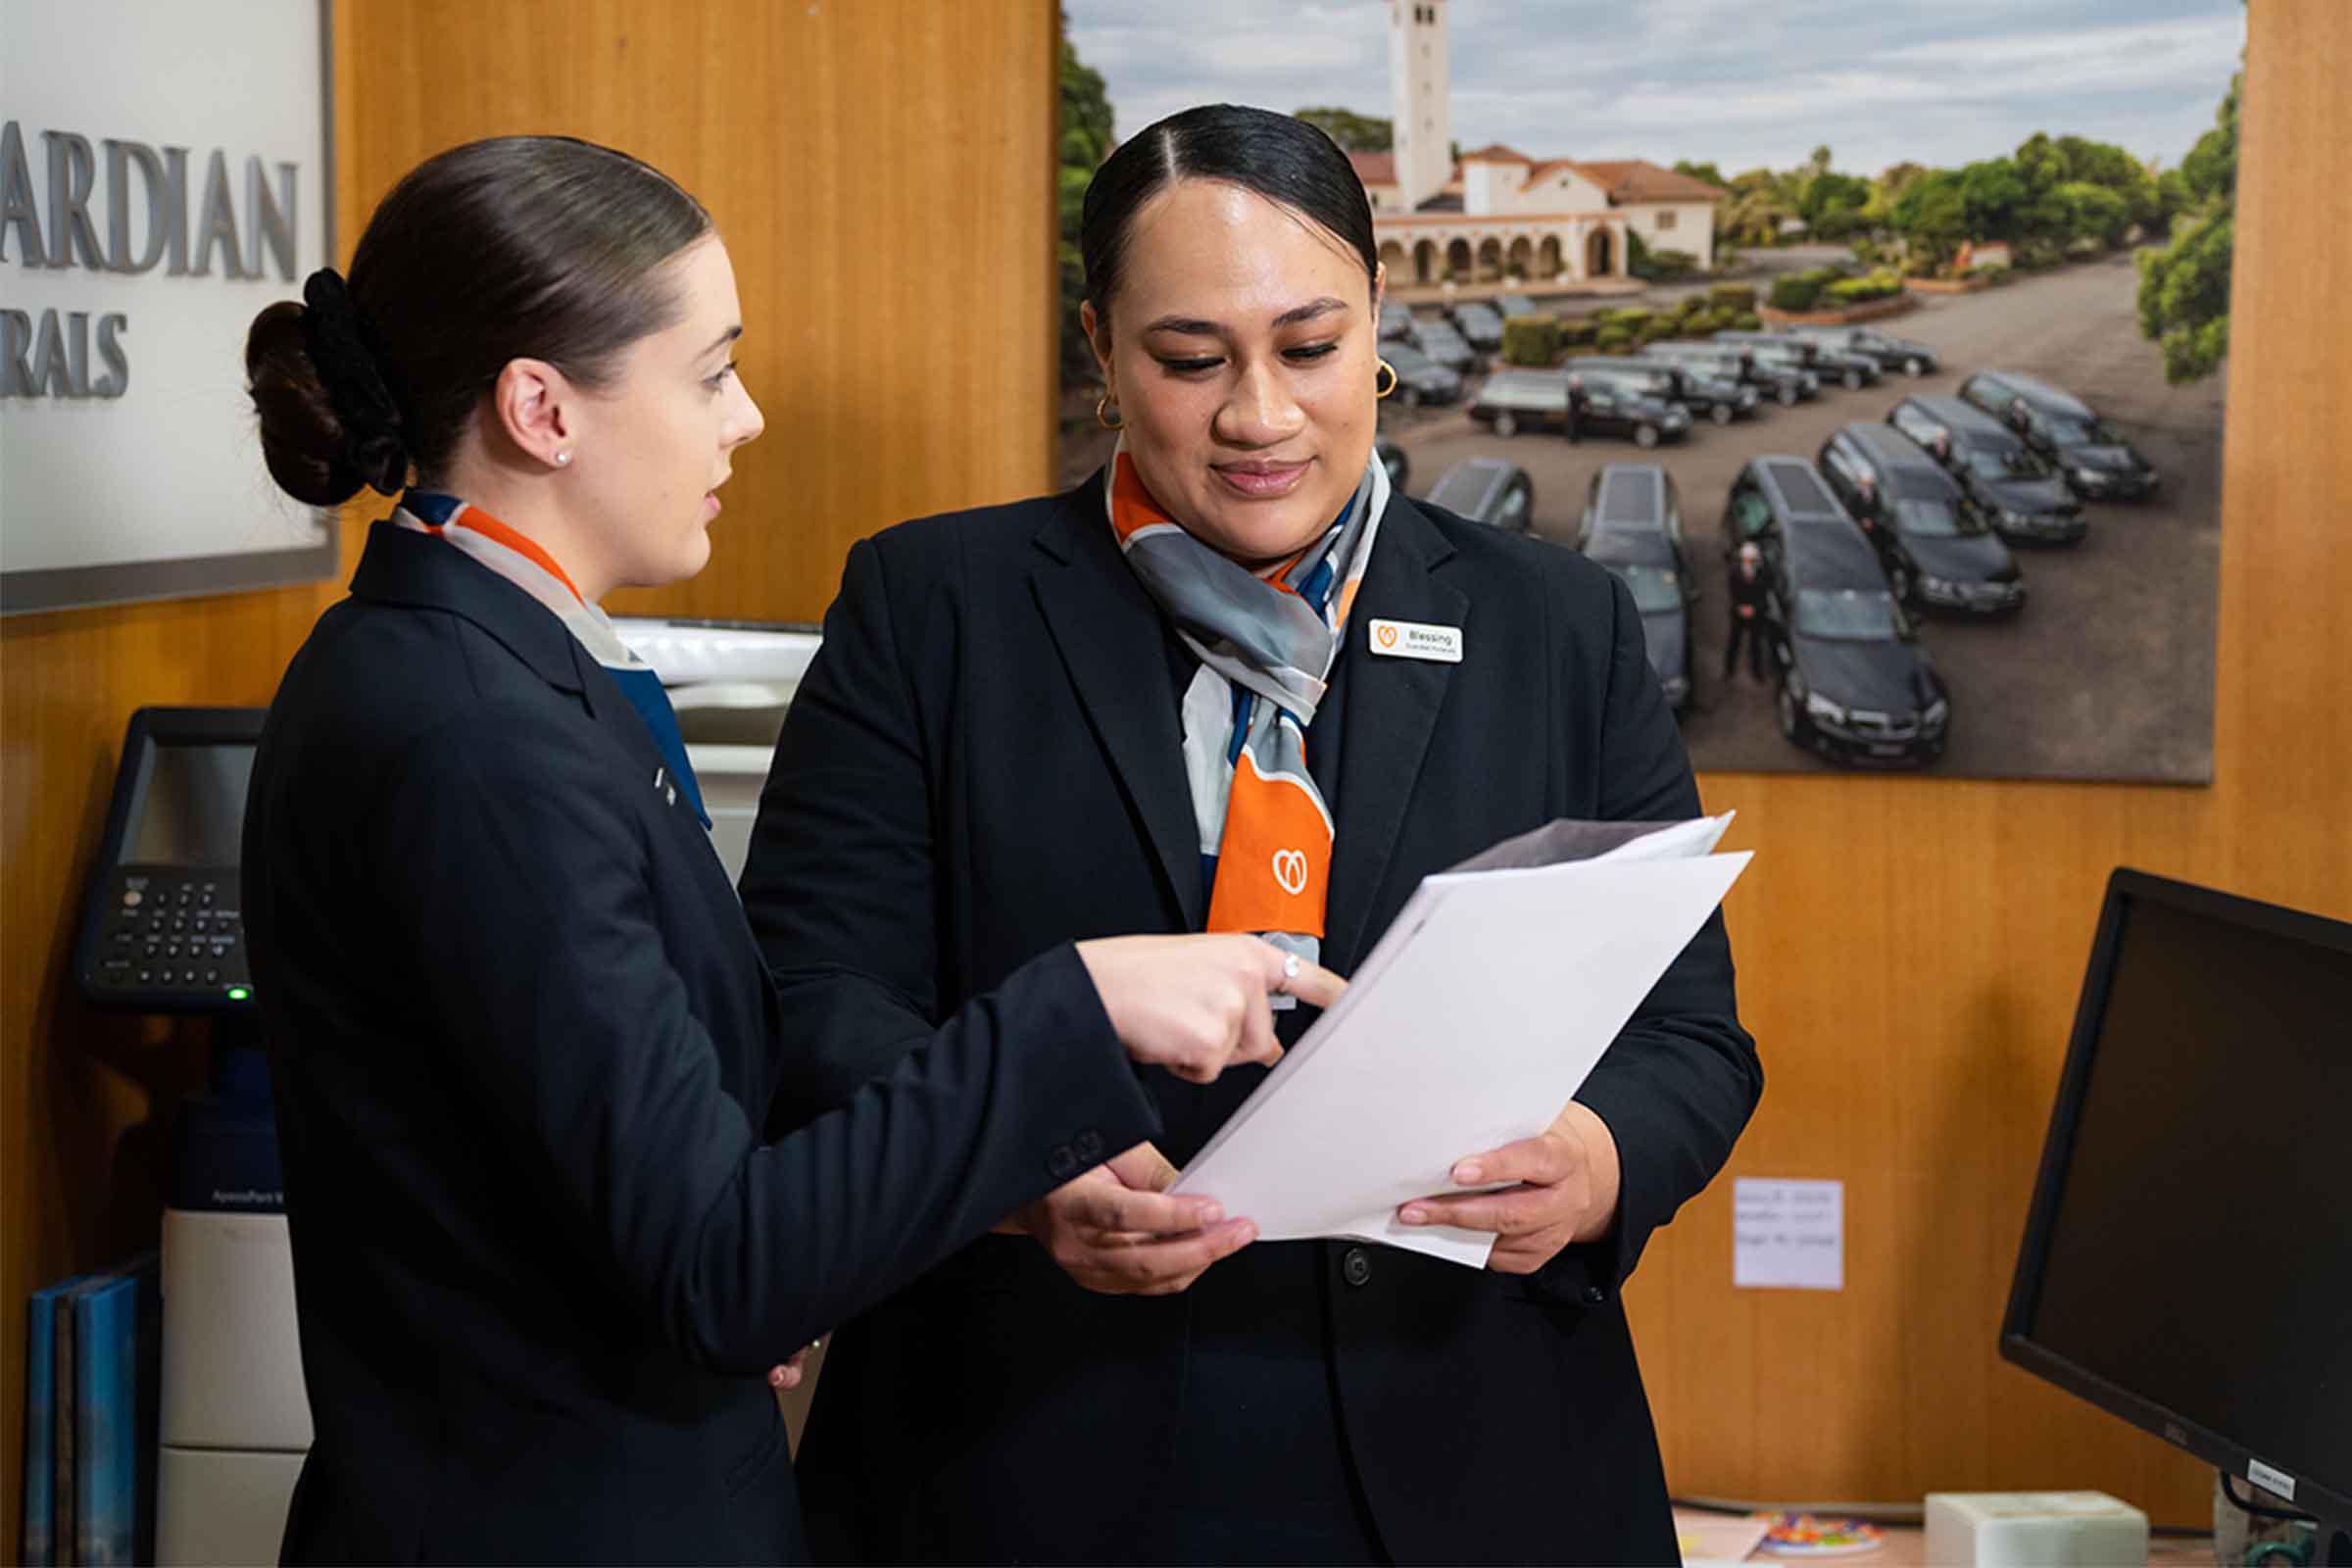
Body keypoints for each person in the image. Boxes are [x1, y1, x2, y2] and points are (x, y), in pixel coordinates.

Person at [238, 134, 1335, 1566]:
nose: (744, 419)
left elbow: (664, 1186)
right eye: (709, 373)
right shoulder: (472, 733)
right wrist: (1076, 1002)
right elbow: (724, 1270)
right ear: (542, 410)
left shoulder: (477, 669)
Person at [741, 105, 1758, 1566]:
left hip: (1469, 1451)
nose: (1261, 417)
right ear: (1102, 346)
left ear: (1380, 323)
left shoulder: (1556, 624)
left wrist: (1594, 1162)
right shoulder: (935, 609)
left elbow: (1691, 1042)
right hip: (1025, 1450)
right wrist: (1011, 1182)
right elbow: (813, 1005)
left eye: (1309, 345)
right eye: (1190, 358)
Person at [1725, 541, 1770, 683]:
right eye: (1745, 560)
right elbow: (1733, 593)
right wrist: (1740, 607)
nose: (1748, 563)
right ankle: (1728, 670)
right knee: (1734, 642)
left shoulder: (1763, 573)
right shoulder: (1735, 572)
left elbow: (1764, 595)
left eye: (1751, 560)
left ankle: (1757, 671)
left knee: (1756, 644)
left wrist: (1754, 609)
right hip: (1738, 614)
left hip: (1756, 615)